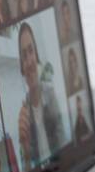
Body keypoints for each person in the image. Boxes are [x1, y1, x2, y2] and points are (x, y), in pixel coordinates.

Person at [16, 22, 67, 162]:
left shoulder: (50, 95)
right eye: (24, 55)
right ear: (22, 67)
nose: (29, 61)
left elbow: (63, 145)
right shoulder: (23, 114)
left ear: (37, 56)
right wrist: (25, 149)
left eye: (31, 51)